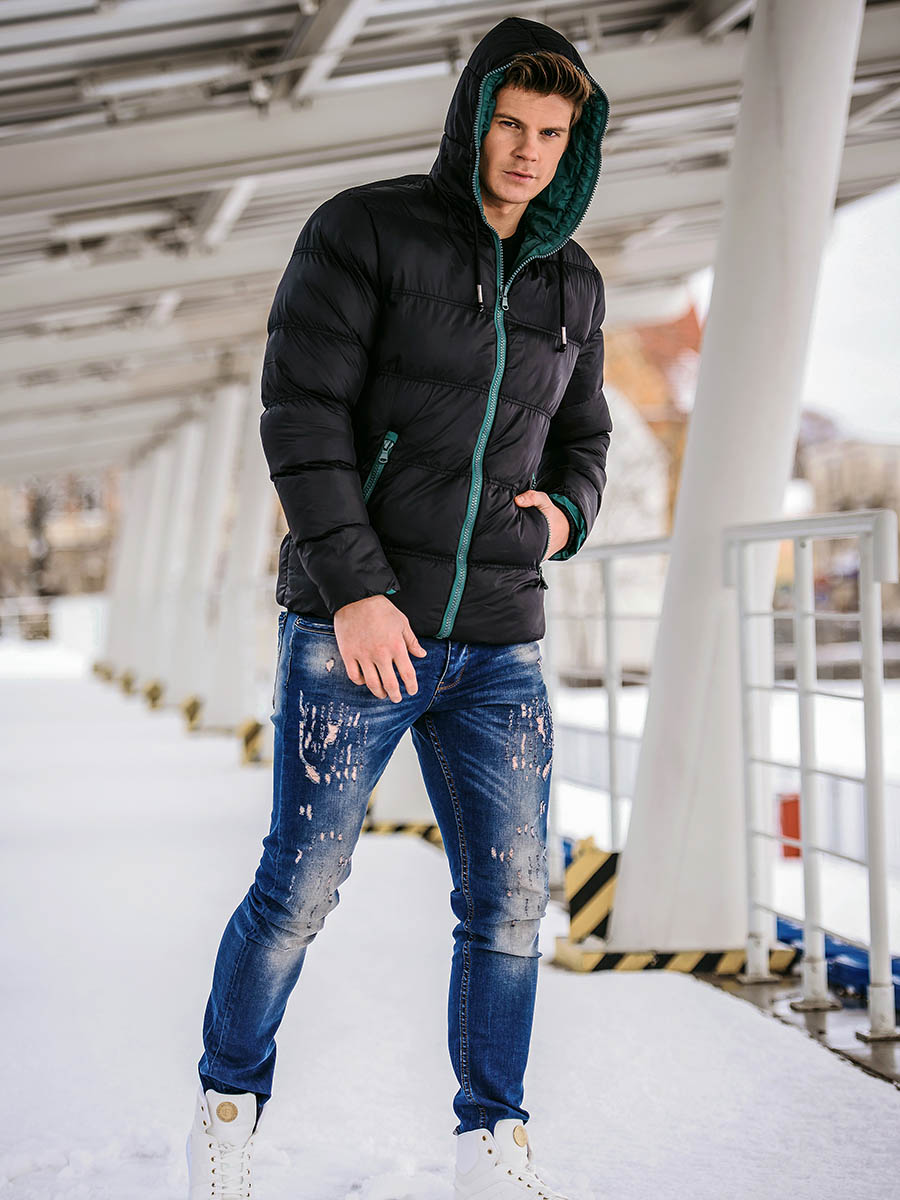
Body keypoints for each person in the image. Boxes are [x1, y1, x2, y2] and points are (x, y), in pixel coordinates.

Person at [186, 15, 611, 1200]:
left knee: (513, 901)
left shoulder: (573, 281)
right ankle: (226, 1108)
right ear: (475, 119)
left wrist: (568, 518)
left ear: (574, 146)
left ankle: (492, 1143)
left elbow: (585, 437)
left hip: (500, 639)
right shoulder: (364, 231)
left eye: (551, 134)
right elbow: (301, 418)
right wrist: (361, 594)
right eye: (510, 125)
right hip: (355, 634)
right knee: (302, 887)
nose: (526, 152)